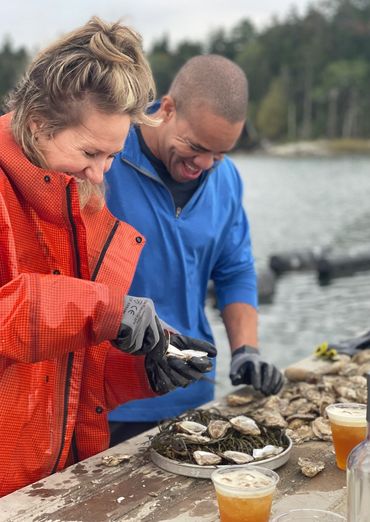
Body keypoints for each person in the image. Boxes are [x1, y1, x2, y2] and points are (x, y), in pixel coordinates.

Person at [0, 18, 216, 497]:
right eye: (90, 151)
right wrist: (102, 308)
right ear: (37, 124)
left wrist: (144, 367)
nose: (101, 174)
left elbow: (65, 373)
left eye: (113, 156)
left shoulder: (77, 196)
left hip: (53, 488)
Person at [106, 54, 283, 444]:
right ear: (167, 109)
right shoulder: (105, 156)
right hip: (109, 401)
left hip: (193, 392)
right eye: (195, 146)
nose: (203, 164)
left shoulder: (227, 180)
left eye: (218, 155)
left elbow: (235, 270)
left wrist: (245, 351)